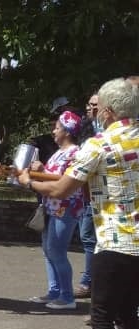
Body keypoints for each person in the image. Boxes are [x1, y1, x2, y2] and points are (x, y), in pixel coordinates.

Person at [16, 78, 139, 329]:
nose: (94, 115)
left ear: (108, 111)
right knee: (130, 315)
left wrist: (28, 182)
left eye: (98, 110)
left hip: (114, 242)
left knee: (103, 315)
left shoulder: (99, 144)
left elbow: (61, 189)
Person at [25, 111, 86, 310]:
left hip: (66, 208)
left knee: (57, 251)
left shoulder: (75, 153)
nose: (53, 131)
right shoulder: (59, 152)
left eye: (57, 128)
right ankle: (54, 291)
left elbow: (66, 180)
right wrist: (39, 172)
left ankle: (67, 297)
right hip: (51, 206)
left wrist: (42, 172)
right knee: (48, 250)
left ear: (67, 131)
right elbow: (52, 176)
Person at [74, 91, 102, 300]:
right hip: (85, 192)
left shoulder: (107, 133)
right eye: (89, 104)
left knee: (90, 238)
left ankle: (89, 282)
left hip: (99, 194)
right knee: (87, 237)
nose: (90, 108)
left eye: (95, 105)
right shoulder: (87, 128)